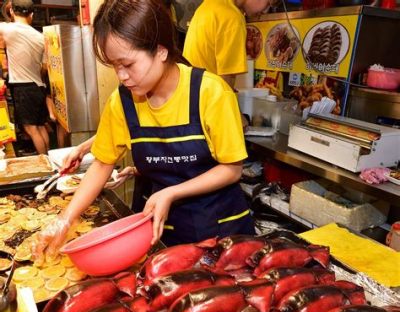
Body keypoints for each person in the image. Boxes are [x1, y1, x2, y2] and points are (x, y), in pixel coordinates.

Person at [32, 0, 254, 262]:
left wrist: (171, 192)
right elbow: (102, 164)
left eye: (128, 64)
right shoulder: (122, 102)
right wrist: (65, 219)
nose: (122, 76)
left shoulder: (211, 93)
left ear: (160, 51)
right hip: (165, 233)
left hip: (222, 231)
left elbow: (232, 169)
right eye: (114, 66)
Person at [183, 0, 271, 128]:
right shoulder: (232, 17)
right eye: (269, 3)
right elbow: (225, 81)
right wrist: (237, 118)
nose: (266, 10)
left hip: (190, 105)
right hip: (208, 112)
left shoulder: (210, 5)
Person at [0, 0, 49, 155]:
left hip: (23, 87)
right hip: (38, 86)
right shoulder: (40, 36)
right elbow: (45, 67)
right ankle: (48, 159)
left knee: (31, 128)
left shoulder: (7, 29)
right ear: (32, 14)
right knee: (40, 126)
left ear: (13, 12)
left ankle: (45, 163)